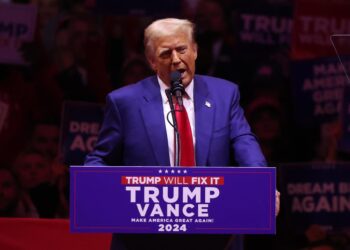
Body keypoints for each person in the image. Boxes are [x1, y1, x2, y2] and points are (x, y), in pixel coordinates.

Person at [85, 18, 279, 250]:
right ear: (151, 61)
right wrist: (92, 184)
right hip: (144, 239)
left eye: (182, 49)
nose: (176, 60)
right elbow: (101, 158)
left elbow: (243, 142)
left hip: (215, 236)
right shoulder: (124, 102)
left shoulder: (224, 95)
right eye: (166, 53)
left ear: (195, 51)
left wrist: (261, 183)